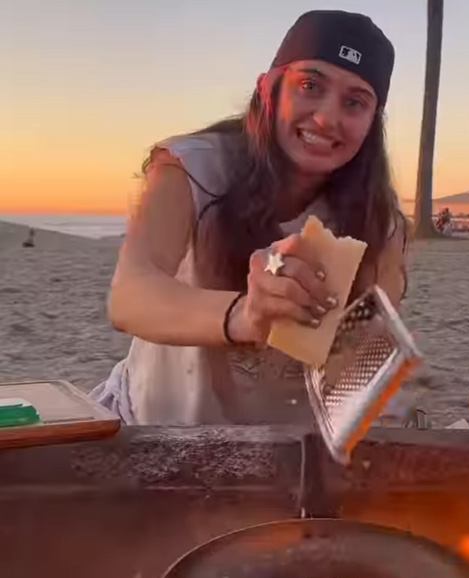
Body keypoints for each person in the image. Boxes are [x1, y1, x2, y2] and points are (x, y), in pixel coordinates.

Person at [91, 10, 408, 425]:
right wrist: (246, 314)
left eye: (354, 102)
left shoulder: (380, 221)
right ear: (267, 88)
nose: (327, 117)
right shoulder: (191, 168)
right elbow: (130, 296)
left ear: (372, 123)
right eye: (310, 86)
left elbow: (356, 357)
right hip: (157, 426)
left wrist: (376, 360)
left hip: (287, 445)